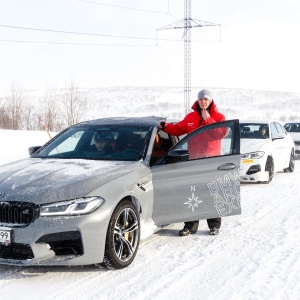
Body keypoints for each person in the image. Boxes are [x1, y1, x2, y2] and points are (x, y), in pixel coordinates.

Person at [158, 89, 225, 236]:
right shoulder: (191, 117)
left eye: (206, 99)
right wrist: (165, 126)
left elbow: (222, 133)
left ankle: (214, 226)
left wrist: (208, 119)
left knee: (211, 194)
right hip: (194, 160)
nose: (203, 102)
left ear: (211, 101)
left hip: (210, 161)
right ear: (198, 101)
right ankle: (190, 226)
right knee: (193, 194)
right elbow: (177, 129)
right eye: (201, 99)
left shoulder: (219, 117)